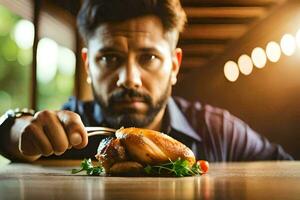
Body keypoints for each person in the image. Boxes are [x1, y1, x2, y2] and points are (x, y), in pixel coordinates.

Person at [0, 0, 293, 162]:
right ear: (88, 65)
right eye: (110, 58)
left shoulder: (218, 132)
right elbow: (16, 135)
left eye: (149, 58)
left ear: (174, 65)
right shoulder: (70, 131)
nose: (130, 79)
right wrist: (18, 130)